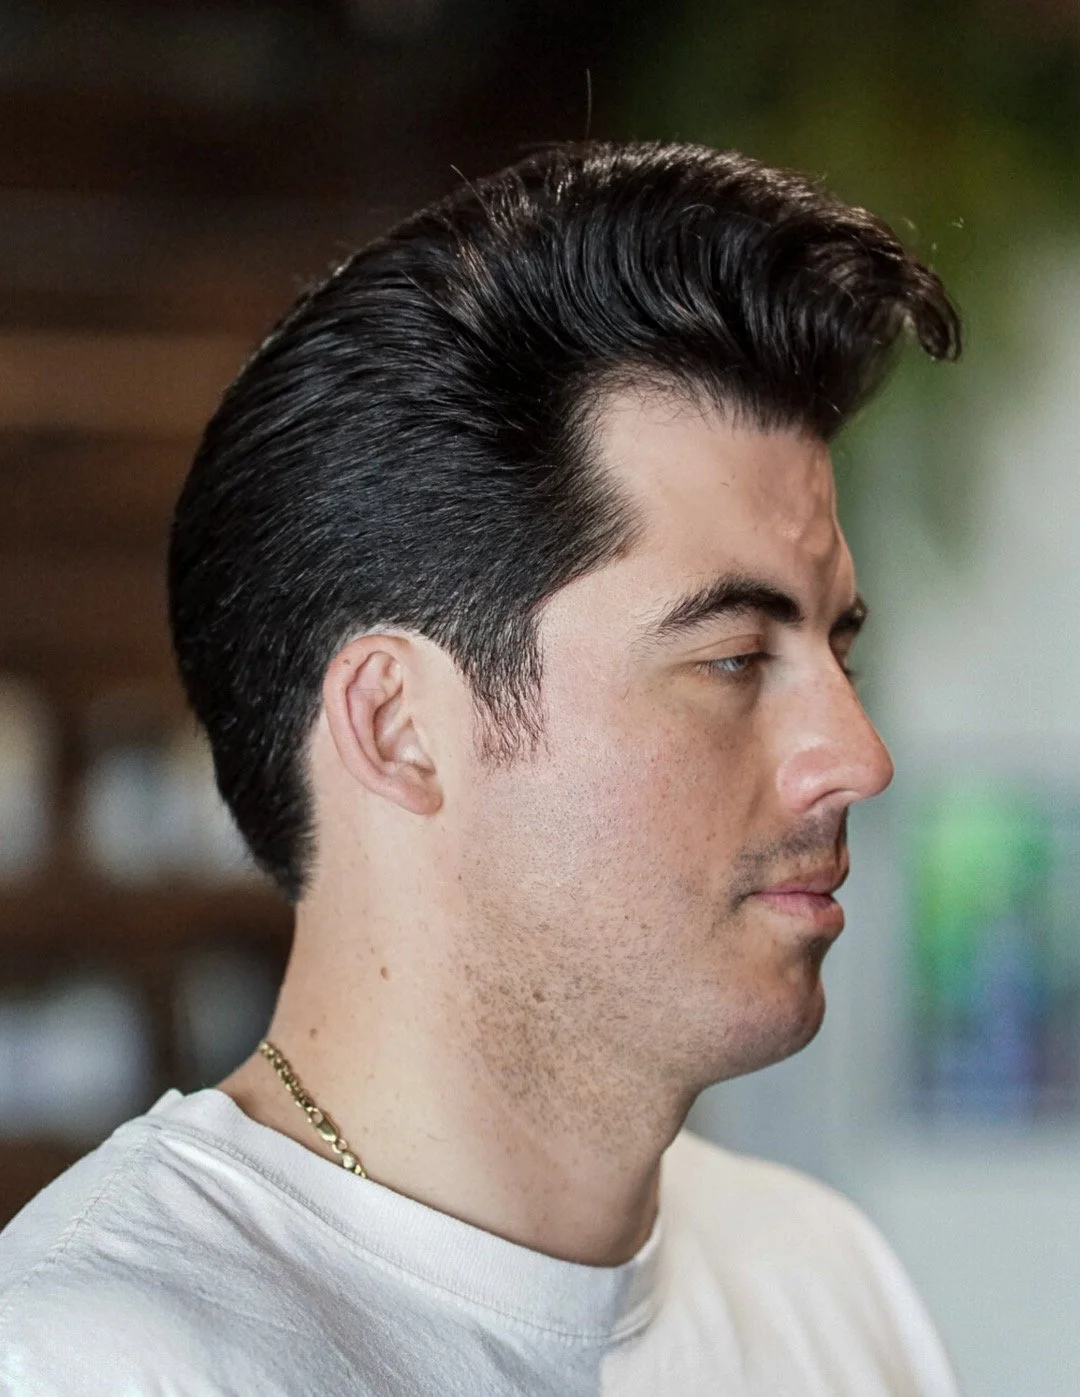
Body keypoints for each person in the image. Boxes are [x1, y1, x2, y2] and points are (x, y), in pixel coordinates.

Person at [0, 141, 961, 1395]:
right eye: (733, 656)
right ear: (400, 728)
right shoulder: (97, 1361)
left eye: (836, 646)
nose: (858, 756)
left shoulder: (824, 1283)